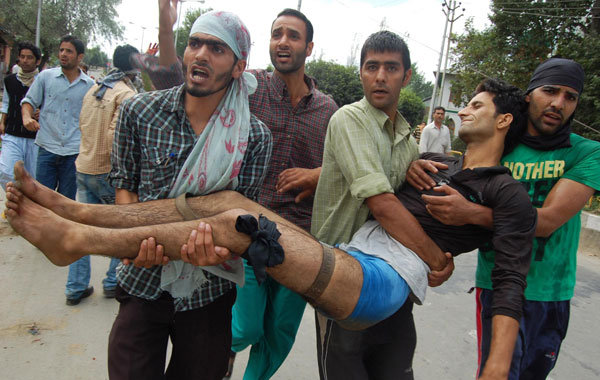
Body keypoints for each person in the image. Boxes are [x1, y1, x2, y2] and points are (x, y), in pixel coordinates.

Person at [6, 77, 536, 380]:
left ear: (505, 121)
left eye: (476, 105)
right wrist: (320, 174)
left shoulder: (504, 191)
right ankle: (76, 212)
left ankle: (76, 242)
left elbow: (511, 279)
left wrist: (495, 368)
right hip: (351, 255)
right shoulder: (437, 160)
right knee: (229, 199)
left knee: (238, 225)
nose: (463, 109)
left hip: (380, 279)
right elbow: (369, 170)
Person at [147, 3, 339, 378]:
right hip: (247, 232)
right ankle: (222, 357)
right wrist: (167, 33)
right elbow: (179, 84)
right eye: (276, 33)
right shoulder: (246, 87)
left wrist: (318, 174)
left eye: (293, 35)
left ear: (310, 48)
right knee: (246, 326)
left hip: (301, 239)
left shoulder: (329, 110)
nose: (282, 42)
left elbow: (345, 168)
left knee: (278, 336)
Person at [406, 58, 600, 379]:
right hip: (497, 284)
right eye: (550, 91)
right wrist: (413, 164)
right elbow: (452, 186)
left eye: (570, 97)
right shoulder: (500, 143)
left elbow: (549, 221)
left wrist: (474, 214)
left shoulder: (585, 152)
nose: (558, 103)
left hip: (552, 291)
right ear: (529, 95)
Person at [111, 11, 272, 380]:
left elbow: (240, 221)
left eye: (216, 48)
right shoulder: (140, 112)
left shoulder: (254, 137)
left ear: (238, 66)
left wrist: (218, 251)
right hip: (141, 280)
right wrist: (136, 240)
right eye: (195, 43)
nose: (200, 54)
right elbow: (125, 187)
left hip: (209, 293)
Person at [310, 30, 437, 380]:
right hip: (344, 276)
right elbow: (382, 204)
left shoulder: (406, 138)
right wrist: (435, 258)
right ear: (361, 72)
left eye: (391, 68)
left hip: (393, 274)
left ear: (407, 76)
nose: (380, 77)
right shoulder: (350, 119)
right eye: (372, 67)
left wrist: (413, 167)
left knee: (395, 366)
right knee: (345, 367)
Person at [20, 35, 94, 305]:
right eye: (61, 50)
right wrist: (28, 117)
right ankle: (41, 236)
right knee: (41, 195)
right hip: (48, 146)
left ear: (80, 57)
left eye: (69, 51)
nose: (63, 54)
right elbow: (28, 102)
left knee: (66, 201)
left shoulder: (90, 86)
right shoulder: (46, 78)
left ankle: (59, 238)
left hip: (74, 150)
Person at [72, 44, 140, 300]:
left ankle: (75, 287)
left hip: (84, 166)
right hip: (108, 173)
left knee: (83, 231)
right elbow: (116, 137)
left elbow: (81, 123)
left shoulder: (94, 88)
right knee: (119, 231)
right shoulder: (126, 95)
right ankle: (113, 282)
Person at [0, 42, 41, 190]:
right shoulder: (10, 80)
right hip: (12, 133)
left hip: (35, 138)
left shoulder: (43, 81)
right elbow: (6, 103)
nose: (25, 60)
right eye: (22, 57)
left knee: (34, 177)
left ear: (37, 61)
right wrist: (2, 122)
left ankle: (28, 208)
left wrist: (41, 112)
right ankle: (15, 200)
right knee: (6, 171)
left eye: (29, 57)